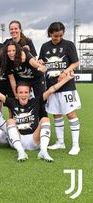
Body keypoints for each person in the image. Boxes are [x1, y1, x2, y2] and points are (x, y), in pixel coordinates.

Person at [0, 70, 75, 162]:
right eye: (21, 92)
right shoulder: (12, 102)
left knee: (45, 119)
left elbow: (51, 90)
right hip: (18, 139)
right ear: (16, 94)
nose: (23, 95)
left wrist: (67, 79)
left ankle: (43, 152)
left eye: (26, 92)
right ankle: (21, 152)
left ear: (29, 93)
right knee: (10, 121)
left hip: (33, 140)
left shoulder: (35, 101)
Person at [39, 22, 81, 155]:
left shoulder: (68, 45)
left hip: (67, 86)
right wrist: (40, 63)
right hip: (51, 86)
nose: (58, 38)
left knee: (70, 113)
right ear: (50, 33)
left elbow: (76, 62)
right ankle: (60, 142)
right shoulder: (45, 46)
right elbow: (41, 61)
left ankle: (76, 145)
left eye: (60, 35)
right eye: (55, 36)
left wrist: (65, 72)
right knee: (56, 114)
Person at [2, 40, 47, 118]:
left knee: (40, 101)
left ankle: (44, 122)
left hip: (37, 79)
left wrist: (39, 66)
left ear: (18, 51)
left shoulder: (24, 54)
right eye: (9, 51)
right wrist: (16, 94)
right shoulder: (7, 62)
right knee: (23, 101)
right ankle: (28, 121)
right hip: (24, 80)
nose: (11, 53)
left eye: (13, 50)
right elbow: (12, 80)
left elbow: (32, 62)